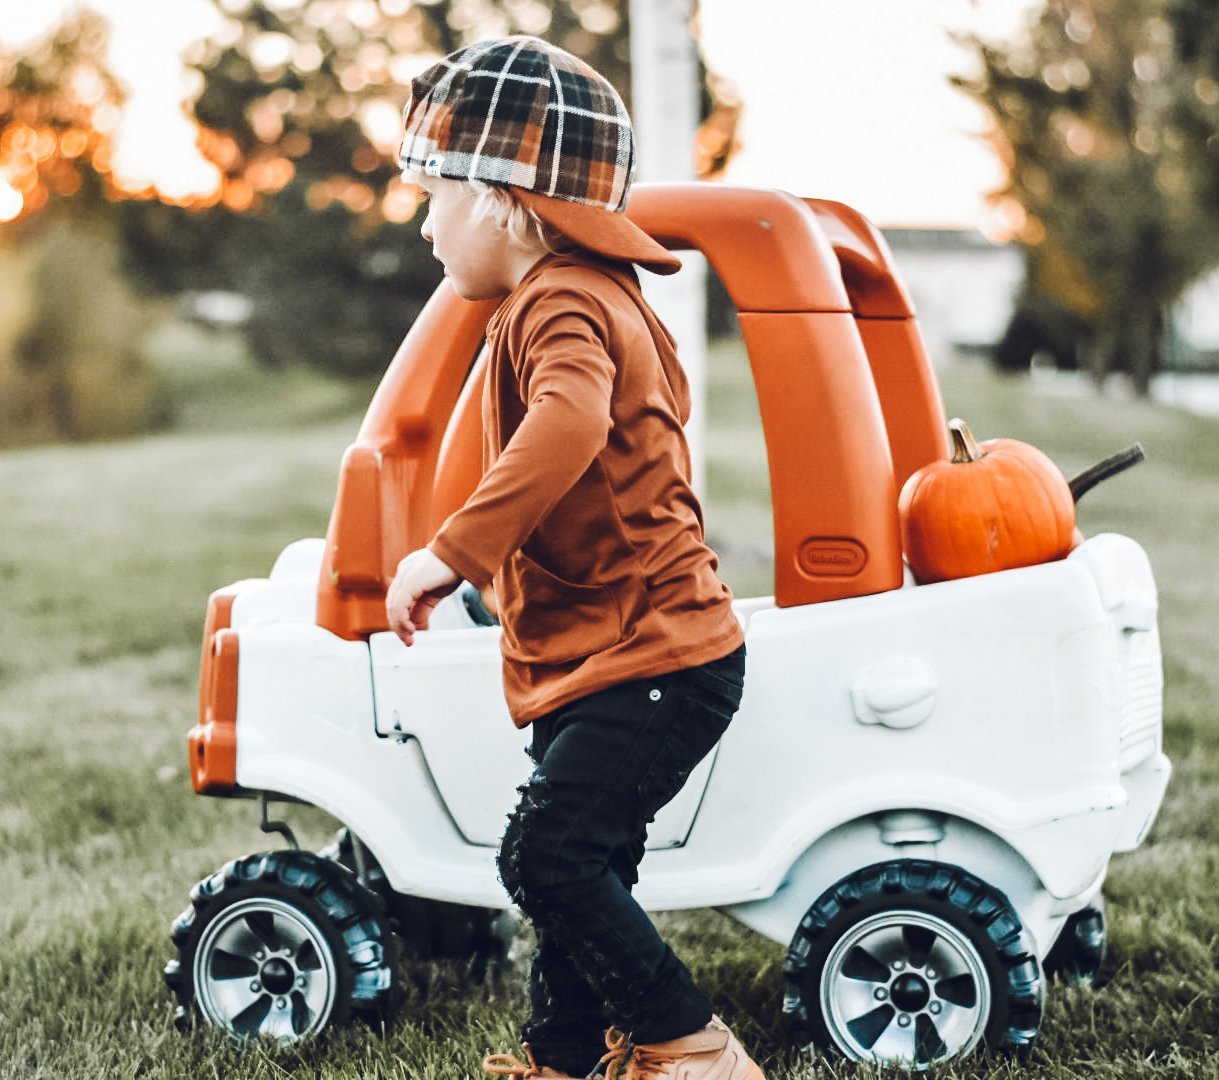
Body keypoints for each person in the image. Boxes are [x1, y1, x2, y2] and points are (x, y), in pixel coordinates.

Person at [385, 36, 762, 1080]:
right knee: (583, 866)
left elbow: (567, 424)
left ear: (507, 198)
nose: (425, 226)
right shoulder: (586, 297)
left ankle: (686, 1046)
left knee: (545, 857)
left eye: (435, 198)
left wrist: (450, 553)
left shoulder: (559, 299)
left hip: (652, 659)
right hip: (630, 657)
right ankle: (560, 1057)